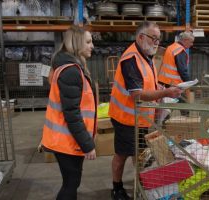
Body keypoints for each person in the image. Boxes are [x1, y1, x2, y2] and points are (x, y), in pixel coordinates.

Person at [108, 21, 183, 200]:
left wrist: (162, 88)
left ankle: (140, 184)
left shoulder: (146, 55)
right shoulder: (131, 60)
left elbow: (148, 82)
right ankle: (117, 188)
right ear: (141, 37)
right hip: (126, 118)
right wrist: (165, 92)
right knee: (122, 154)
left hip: (140, 117)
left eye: (159, 39)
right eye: (153, 38)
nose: (157, 42)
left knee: (138, 153)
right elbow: (138, 95)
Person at [41, 25, 97, 200]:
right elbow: (72, 115)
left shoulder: (70, 67)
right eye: (88, 42)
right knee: (70, 185)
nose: (92, 46)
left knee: (73, 183)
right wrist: (87, 145)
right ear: (77, 43)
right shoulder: (71, 71)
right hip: (66, 141)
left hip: (68, 139)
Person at [158, 31, 195, 116]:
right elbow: (183, 71)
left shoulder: (171, 47)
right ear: (185, 40)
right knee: (181, 103)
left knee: (167, 106)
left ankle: (165, 122)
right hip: (173, 84)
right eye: (191, 42)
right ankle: (187, 121)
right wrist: (190, 83)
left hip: (163, 82)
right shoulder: (180, 51)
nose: (192, 44)